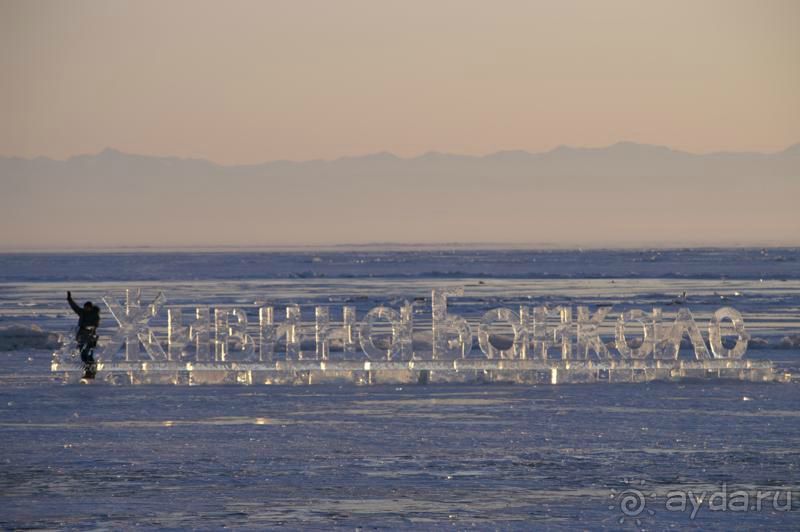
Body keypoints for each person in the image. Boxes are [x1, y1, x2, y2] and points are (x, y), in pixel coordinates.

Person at [67, 291, 100, 379]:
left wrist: (88, 329)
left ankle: (92, 372)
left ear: (90, 308)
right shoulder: (82, 312)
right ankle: (88, 371)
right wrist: (70, 299)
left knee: (88, 355)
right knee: (83, 356)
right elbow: (75, 308)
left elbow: (94, 325)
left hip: (90, 338)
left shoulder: (95, 315)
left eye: (87, 308)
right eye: (85, 308)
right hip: (81, 338)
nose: (85, 309)